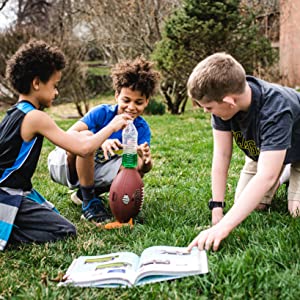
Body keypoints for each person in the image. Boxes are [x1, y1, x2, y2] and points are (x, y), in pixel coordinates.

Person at [0, 40, 130, 250]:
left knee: (53, 217)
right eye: (54, 85)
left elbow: (81, 141)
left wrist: (92, 135)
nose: (57, 92)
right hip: (6, 194)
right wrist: (112, 126)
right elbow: (83, 149)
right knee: (63, 230)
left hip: (16, 190)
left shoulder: (14, 112)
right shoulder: (35, 117)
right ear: (36, 83)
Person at [186, 52, 300, 252]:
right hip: (263, 151)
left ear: (230, 102)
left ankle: (287, 171)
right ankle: (281, 172)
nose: (206, 111)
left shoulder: (276, 110)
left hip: (297, 152)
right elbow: (221, 156)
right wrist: (217, 209)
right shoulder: (223, 104)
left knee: (296, 212)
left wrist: (223, 228)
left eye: (209, 107)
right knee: (248, 204)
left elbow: (265, 176)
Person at [48, 57, 160, 223]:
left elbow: (142, 169)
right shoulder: (102, 113)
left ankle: (84, 194)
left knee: (133, 163)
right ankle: (89, 202)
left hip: (94, 169)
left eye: (139, 102)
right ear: (116, 96)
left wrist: (146, 161)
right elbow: (68, 136)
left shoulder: (141, 129)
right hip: (64, 165)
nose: (131, 107)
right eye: (126, 100)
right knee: (86, 139)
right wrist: (99, 140)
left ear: (147, 102)